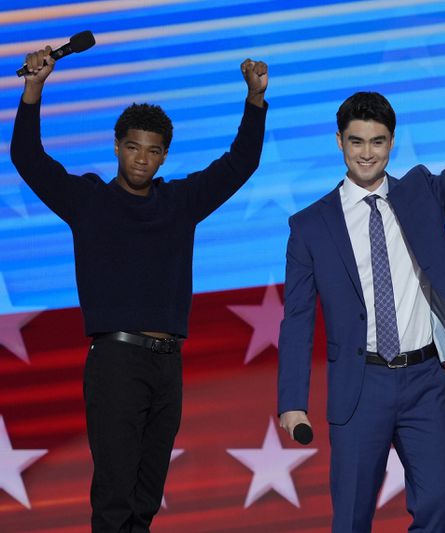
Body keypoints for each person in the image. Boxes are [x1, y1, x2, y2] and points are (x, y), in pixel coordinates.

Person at [10, 46, 268, 532]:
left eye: (153, 150)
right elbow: (29, 158)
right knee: (115, 498)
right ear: (116, 146)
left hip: (168, 363)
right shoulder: (88, 201)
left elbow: (240, 164)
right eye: (133, 146)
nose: (142, 158)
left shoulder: (180, 202)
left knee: (146, 499)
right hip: (116, 363)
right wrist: (33, 89)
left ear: (164, 154)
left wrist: (255, 101)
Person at [277, 38, 445, 532]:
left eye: (377, 141)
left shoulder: (423, 192)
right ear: (339, 142)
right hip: (361, 386)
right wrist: (292, 401)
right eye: (356, 141)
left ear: (392, 142)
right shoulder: (309, 226)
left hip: (424, 380)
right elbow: (296, 320)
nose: (367, 153)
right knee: (354, 518)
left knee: (438, 504)